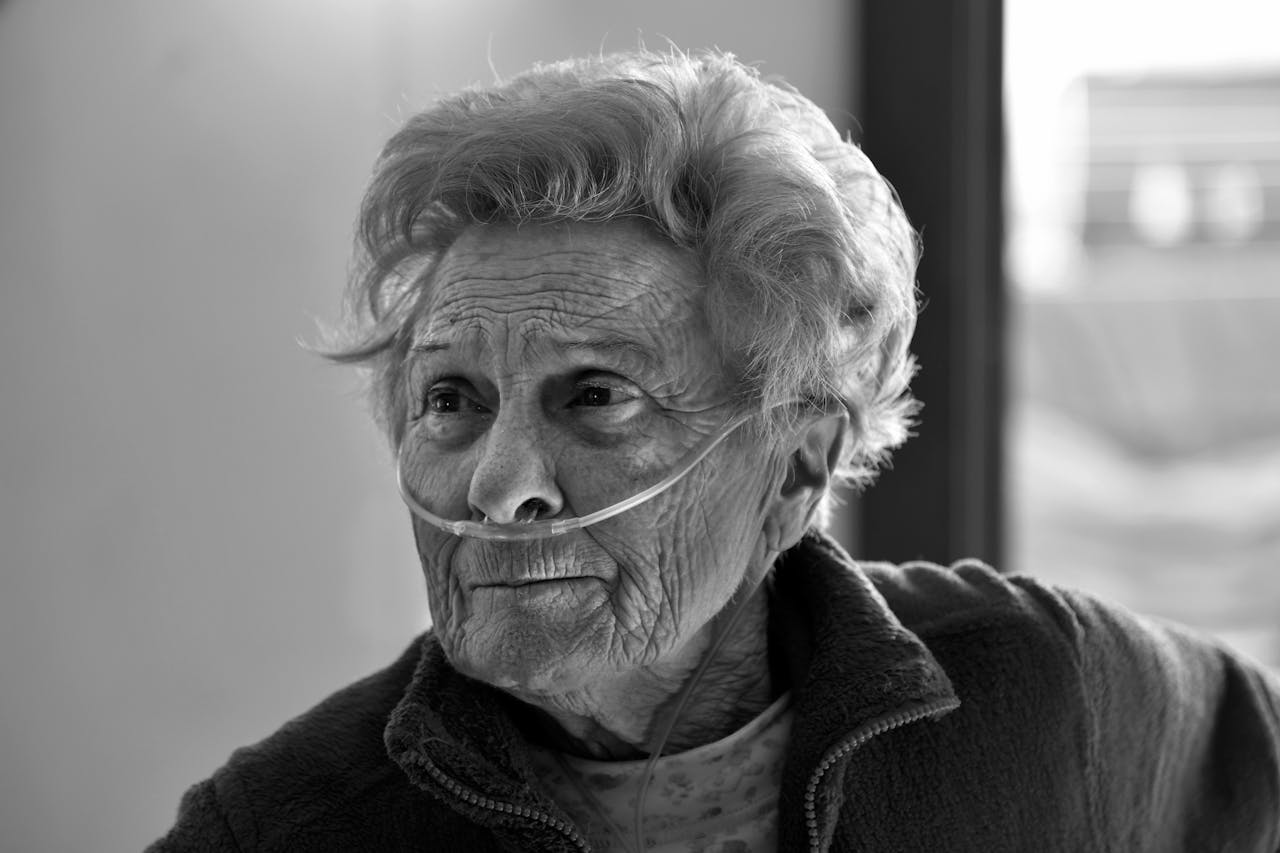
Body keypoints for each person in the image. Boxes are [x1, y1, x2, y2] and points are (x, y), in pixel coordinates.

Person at [149, 48, 1280, 852]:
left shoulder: (1045, 689)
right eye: (451, 399)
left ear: (794, 466)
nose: (499, 487)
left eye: (594, 396)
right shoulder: (282, 826)